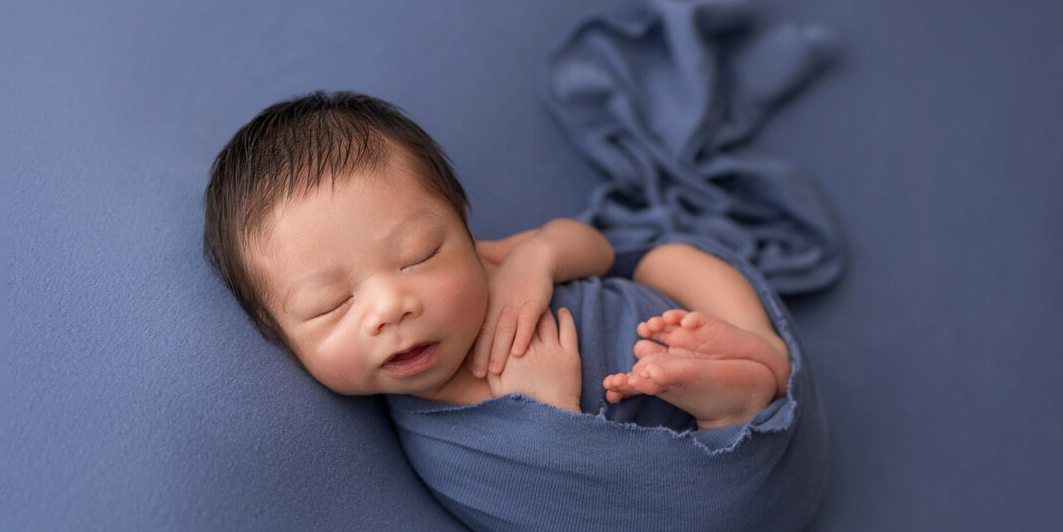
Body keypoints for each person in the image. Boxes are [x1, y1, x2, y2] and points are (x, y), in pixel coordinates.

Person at [203, 91, 792, 430]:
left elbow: (600, 248)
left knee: (674, 257)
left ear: (461, 227)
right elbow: (567, 514)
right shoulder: (447, 427)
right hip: (674, 456)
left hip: (672, 322)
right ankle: (730, 416)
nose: (390, 306)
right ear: (277, 334)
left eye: (419, 256)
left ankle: (757, 342)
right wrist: (548, 413)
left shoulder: (487, 260)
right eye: (329, 304)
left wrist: (537, 257)